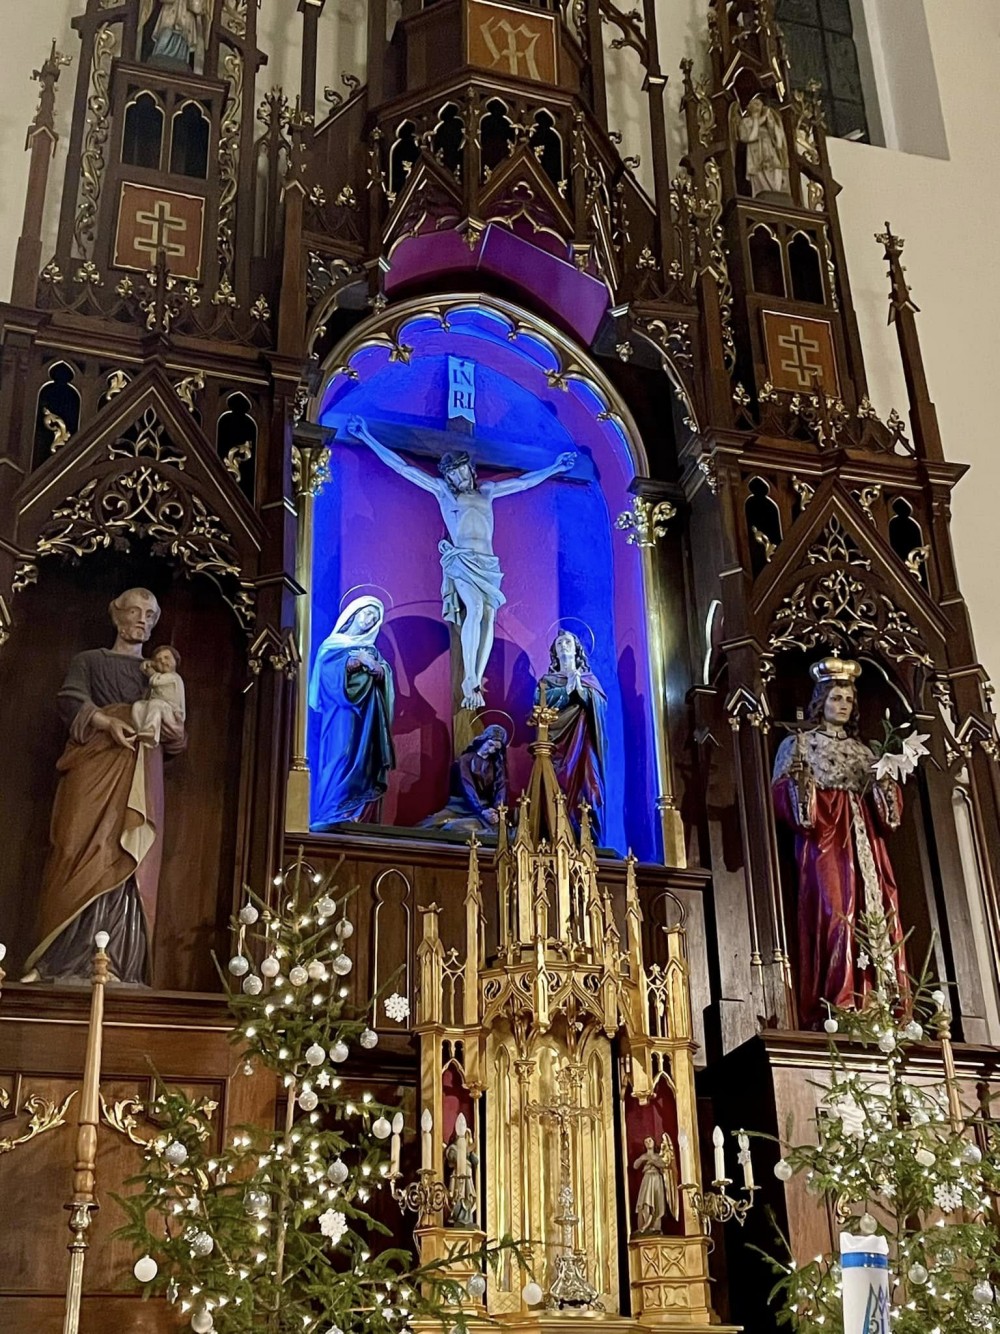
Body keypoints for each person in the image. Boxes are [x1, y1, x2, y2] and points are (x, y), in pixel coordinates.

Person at [347, 415, 576, 710]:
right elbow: (403, 468)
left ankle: (476, 677)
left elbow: (522, 483)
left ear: (470, 468)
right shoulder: (444, 493)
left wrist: (555, 468)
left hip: (488, 564)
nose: (457, 477)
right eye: (452, 474)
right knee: (476, 609)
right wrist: (366, 437)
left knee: (489, 616)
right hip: (462, 561)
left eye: (460, 470)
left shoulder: (487, 491)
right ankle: (469, 678)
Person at [22, 588, 187, 985]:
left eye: (150, 615)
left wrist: (172, 727)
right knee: (73, 845)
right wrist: (108, 721)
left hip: (138, 773)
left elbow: (177, 733)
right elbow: (71, 700)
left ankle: (115, 961)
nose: (143, 620)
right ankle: (58, 960)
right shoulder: (90, 660)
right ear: (116, 615)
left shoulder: (158, 675)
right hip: (92, 764)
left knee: (128, 852)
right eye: (135, 611)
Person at [772, 657, 908, 1029]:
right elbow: (782, 801)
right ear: (821, 701)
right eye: (836, 697)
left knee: (876, 912)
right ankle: (838, 1001)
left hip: (867, 848)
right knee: (834, 914)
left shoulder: (866, 753)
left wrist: (884, 785)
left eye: (848, 699)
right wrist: (801, 785)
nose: (843, 705)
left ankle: (878, 998)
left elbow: (890, 816)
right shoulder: (800, 745)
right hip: (826, 841)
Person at [309, 596, 395, 829]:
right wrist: (355, 662)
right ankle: (330, 811)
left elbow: (383, 678)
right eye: (367, 614)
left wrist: (379, 669)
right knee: (341, 754)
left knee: (365, 760)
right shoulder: (333, 644)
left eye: (375, 619)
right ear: (354, 613)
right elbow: (326, 677)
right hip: (341, 714)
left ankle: (354, 815)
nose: (369, 620)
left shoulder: (372, 650)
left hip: (368, 717)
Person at [536, 630, 608, 843]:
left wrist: (582, 691)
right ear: (554, 653)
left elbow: (601, 707)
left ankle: (591, 840)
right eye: (559, 644)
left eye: (567, 642)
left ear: (577, 649)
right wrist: (566, 691)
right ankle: (556, 835)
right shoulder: (547, 681)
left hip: (585, 742)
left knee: (591, 788)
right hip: (556, 746)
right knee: (557, 787)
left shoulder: (589, 680)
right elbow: (538, 702)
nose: (563, 646)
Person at [420, 726, 508, 835]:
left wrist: (496, 811)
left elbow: (500, 789)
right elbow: (467, 786)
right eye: (490, 744)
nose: (491, 750)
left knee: (453, 827)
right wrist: (480, 809)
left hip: (484, 811)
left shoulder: (497, 765)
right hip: (460, 806)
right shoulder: (465, 760)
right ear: (483, 740)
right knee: (429, 824)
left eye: (496, 748)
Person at [733, 94, 790, 198]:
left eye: (759, 103)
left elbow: (779, 143)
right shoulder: (746, 122)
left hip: (772, 158)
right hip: (757, 158)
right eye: (755, 103)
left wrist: (772, 123)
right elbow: (750, 137)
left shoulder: (767, 122)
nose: (758, 106)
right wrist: (757, 119)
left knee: (776, 182)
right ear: (749, 107)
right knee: (761, 185)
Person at [132, 645, 186, 747]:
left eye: (167, 658)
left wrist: (151, 669)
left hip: (172, 714)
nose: (163, 661)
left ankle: (151, 730)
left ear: (175, 660)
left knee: (156, 703)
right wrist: (151, 664)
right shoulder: (160, 676)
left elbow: (156, 681)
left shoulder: (174, 677)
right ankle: (141, 730)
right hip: (158, 710)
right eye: (158, 660)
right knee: (138, 705)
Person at [144, 0, 210, 72]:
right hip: (169, 13)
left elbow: (198, 8)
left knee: (182, 43)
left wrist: (185, 4)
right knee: (165, 36)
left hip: (186, 18)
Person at [633, 1134, 678, 1234]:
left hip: (657, 1179)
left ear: (654, 1142)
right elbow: (635, 1166)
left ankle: (655, 1227)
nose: (648, 1143)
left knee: (657, 1202)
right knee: (645, 1202)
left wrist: (653, 1162)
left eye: (650, 1140)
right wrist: (642, 1159)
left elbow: (664, 1165)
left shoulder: (658, 1156)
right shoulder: (644, 1156)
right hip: (647, 1179)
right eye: (646, 1141)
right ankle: (644, 1226)